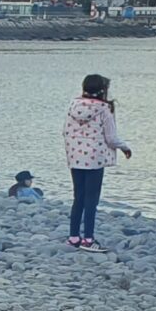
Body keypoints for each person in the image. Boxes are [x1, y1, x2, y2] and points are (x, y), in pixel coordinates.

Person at [62, 74, 129, 252]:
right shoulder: (104, 109)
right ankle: (88, 239)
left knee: (78, 198)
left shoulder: (73, 105)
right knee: (91, 200)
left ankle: (73, 237)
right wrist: (125, 147)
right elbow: (111, 138)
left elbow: (65, 131)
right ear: (103, 90)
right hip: (94, 159)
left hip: (75, 157)